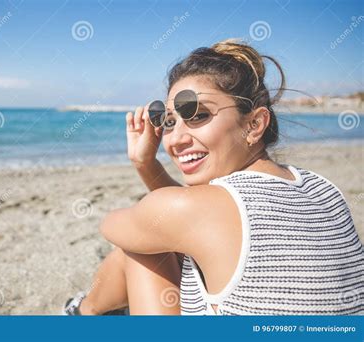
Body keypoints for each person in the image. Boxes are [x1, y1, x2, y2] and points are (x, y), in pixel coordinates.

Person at [62, 39, 364, 315]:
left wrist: (143, 163)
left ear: (255, 124)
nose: (175, 139)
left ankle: (79, 313)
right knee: (162, 237)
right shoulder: (324, 190)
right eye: (169, 121)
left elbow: (114, 225)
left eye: (199, 115)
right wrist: (146, 163)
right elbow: (190, 221)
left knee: (140, 248)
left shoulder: (204, 209)